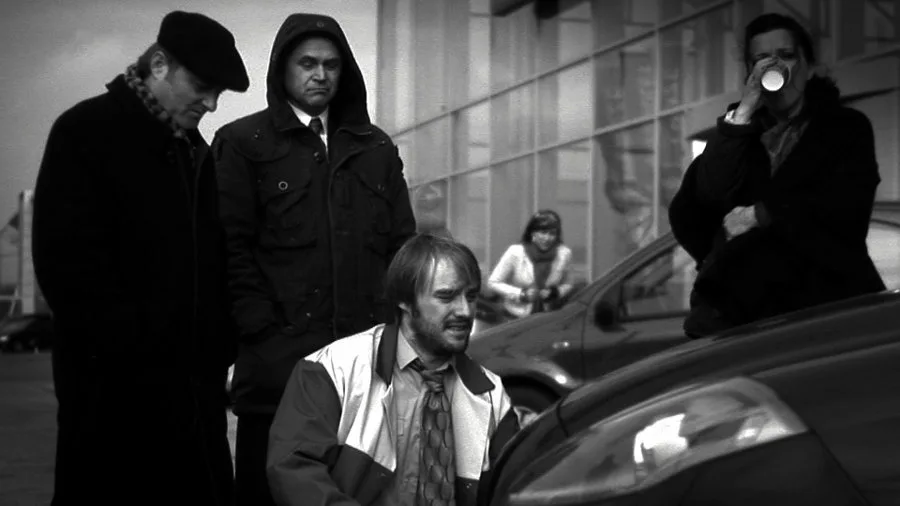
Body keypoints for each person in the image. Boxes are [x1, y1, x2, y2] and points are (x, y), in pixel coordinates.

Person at [31, 10, 249, 505]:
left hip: (194, 398)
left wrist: (217, 348)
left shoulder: (196, 152)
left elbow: (213, 262)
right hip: (114, 397)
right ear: (159, 65)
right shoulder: (84, 132)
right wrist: (144, 352)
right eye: (202, 87)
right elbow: (66, 270)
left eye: (219, 92)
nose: (211, 103)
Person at [212, 13, 416, 506]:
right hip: (278, 373)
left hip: (363, 375)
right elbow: (228, 249)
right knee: (268, 495)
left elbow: (402, 249)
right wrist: (262, 334)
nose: (320, 75)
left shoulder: (376, 148)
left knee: (355, 495)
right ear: (282, 67)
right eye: (307, 64)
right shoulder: (243, 144)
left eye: (331, 65)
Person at [669, 12, 885, 339]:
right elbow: (699, 202)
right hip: (741, 318)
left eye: (786, 55)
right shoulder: (740, 136)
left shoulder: (844, 129)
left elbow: (845, 208)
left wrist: (761, 215)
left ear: (808, 67)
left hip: (826, 312)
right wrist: (743, 111)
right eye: (762, 59)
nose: (776, 67)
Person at [267, 233, 520, 506]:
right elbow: (294, 469)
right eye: (446, 297)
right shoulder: (333, 370)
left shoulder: (492, 397)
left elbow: (514, 489)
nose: (465, 311)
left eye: (471, 297)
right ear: (405, 302)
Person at [487, 210, 575, 318]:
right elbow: (493, 282)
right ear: (533, 233)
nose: (547, 238)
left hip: (548, 315)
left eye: (552, 234)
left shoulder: (564, 254)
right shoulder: (516, 252)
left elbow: (569, 283)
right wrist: (521, 294)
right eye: (543, 233)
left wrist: (555, 293)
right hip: (515, 314)